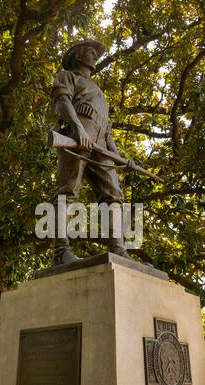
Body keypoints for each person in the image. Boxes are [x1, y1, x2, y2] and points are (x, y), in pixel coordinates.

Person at [51, 39, 135, 265]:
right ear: (78, 56)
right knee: (67, 191)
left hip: (100, 143)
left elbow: (107, 131)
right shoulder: (68, 76)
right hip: (77, 136)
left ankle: (118, 248)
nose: (95, 56)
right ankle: (61, 250)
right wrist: (78, 128)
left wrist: (119, 158)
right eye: (91, 51)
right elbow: (61, 103)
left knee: (113, 195)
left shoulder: (98, 91)